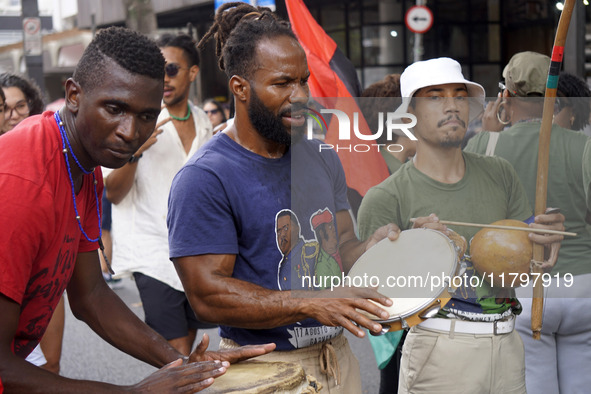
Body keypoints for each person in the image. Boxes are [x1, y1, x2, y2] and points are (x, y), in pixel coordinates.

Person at [0, 26, 274, 393]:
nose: (130, 132)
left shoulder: (82, 163)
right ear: (73, 95)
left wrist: (178, 363)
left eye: (147, 116)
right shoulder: (22, 184)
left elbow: (91, 295)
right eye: (115, 109)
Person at [167, 3, 399, 392]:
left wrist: (371, 247)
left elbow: (340, 248)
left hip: (337, 361)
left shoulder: (323, 157)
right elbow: (207, 294)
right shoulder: (204, 177)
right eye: (283, 83)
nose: (301, 95)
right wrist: (310, 302)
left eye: (304, 81)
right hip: (262, 370)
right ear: (239, 88)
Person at [357, 57, 565, 394]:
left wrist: (545, 239)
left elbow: (524, 268)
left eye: (459, 95)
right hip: (439, 349)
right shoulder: (386, 197)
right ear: (408, 115)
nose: (452, 106)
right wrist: (421, 251)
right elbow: (374, 308)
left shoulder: (501, 173)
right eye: (435, 97)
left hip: (508, 343)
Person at [464, 51, 591, 394]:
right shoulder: (583, 146)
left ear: (506, 95)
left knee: (534, 383)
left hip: (521, 285)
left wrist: (488, 135)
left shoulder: (484, 147)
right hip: (583, 285)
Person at [103, 32, 214, 357]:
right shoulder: (137, 118)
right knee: (174, 351)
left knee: (187, 344)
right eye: (157, 69)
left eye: (171, 69)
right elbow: (113, 193)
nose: (163, 78)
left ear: (192, 72)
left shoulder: (203, 120)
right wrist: (134, 151)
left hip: (195, 253)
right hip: (151, 253)